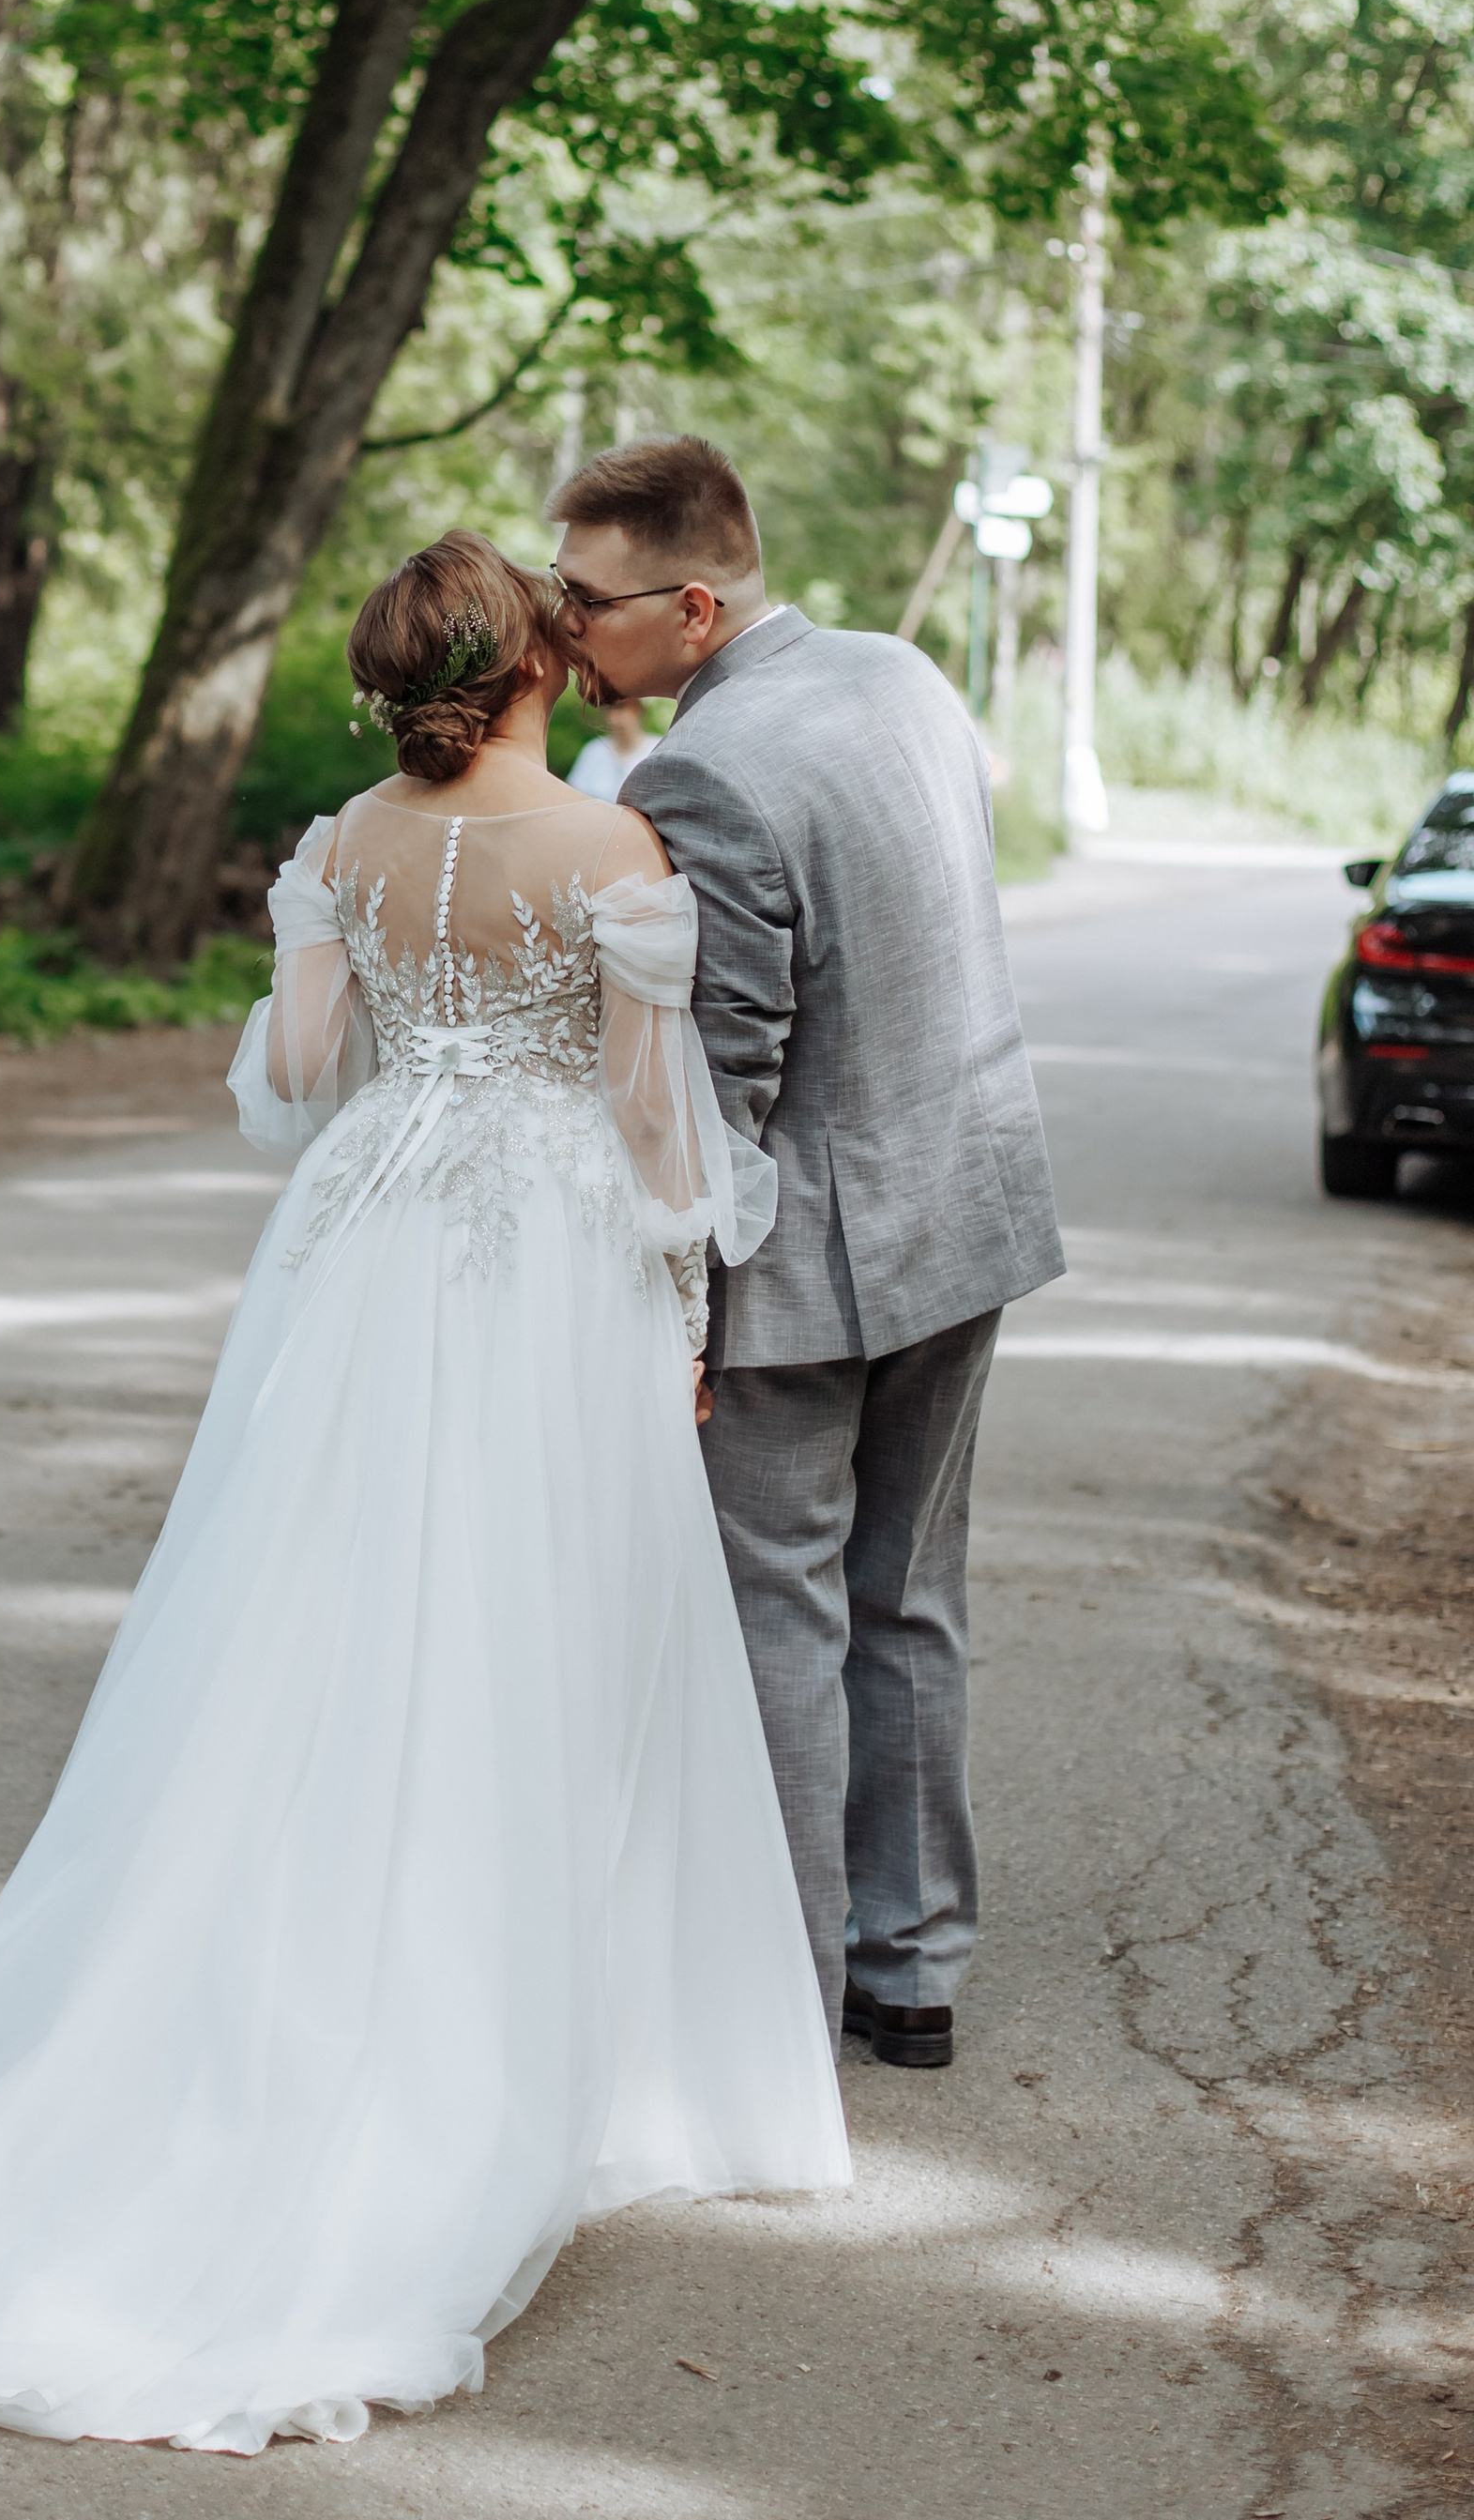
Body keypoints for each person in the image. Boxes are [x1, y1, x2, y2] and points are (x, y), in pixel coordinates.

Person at [0, 529, 846, 2451]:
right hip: (549, 1267)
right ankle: (532, 2040)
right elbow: (659, 1123)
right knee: (535, 1631)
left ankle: (269, 1990)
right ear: (527, 671)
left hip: (364, 1243)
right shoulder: (611, 849)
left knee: (310, 1617)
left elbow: (299, 1075)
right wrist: (685, 1306)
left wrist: (369, 999)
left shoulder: (339, 842)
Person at [548, 438, 1063, 2069]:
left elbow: (725, 1078)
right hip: (969, 1209)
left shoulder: (697, 774)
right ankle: (909, 1969)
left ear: (693, 606)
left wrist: (683, 1304)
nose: (564, 627)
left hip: (815, 1262)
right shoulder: (902, 676)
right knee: (908, 1592)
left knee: (778, 1606)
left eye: (587, 598)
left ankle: (774, 1983)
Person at [567, 694, 663, 801]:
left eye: (621, 706)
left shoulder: (658, 750)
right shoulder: (593, 750)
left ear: (638, 708)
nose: (614, 714)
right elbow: (573, 795)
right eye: (609, 706)